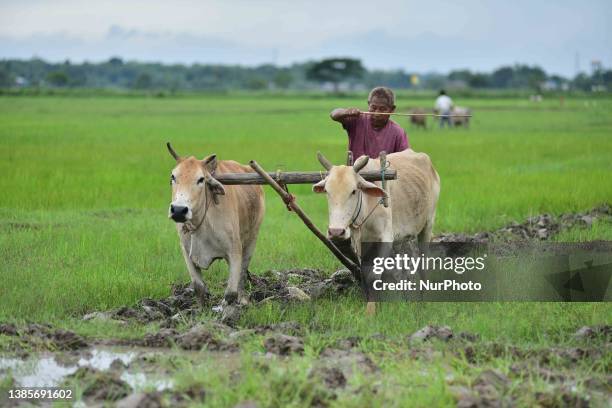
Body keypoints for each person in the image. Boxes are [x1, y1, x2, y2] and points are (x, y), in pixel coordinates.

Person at [330, 86, 409, 160]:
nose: (377, 113)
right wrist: (346, 112)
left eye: (382, 109)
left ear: (392, 109)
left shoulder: (398, 132)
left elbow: (405, 158)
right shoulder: (357, 120)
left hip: (384, 174)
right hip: (356, 173)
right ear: (368, 105)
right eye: (373, 108)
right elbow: (334, 115)